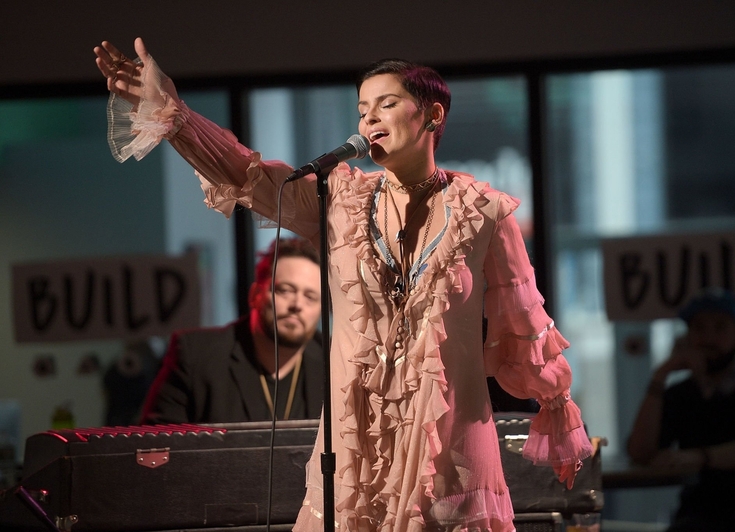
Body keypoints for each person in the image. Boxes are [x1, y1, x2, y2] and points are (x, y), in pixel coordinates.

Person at [94, 38, 593, 531]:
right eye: (362, 110)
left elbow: (523, 324)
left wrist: (556, 407)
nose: (369, 119)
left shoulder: (484, 211)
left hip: (450, 446)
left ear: (432, 116)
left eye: (386, 104)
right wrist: (174, 114)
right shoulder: (340, 200)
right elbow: (245, 172)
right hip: (356, 448)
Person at [627, 288, 735, 532]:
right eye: (699, 328)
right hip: (705, 514)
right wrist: (660, 376)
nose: (708, 338)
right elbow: (640, 452)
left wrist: (698, 458)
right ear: (686, 338)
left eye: (720, 328)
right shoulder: (681, 394)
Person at [140, 237, 325, 424]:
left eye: (310, 297)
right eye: (285, 290)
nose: (297, 304)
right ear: (254, 296)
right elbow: (155, 444)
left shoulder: (337, 363)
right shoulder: (196, 357)